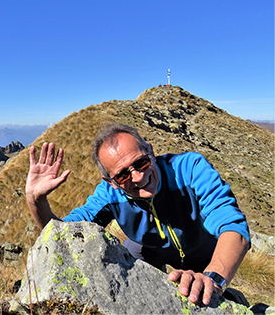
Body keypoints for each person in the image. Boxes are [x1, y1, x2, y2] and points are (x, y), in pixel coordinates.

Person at [26, 122, 250, 306]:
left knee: (209, 297)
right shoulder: (108, 195)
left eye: (141, 163)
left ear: (151, 151)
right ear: (110, 182)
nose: (138, 177)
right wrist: (36, 201)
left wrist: (213, 277)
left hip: (204, 252)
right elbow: (64, 234)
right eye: (123, 175)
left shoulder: (189, 169)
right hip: (150, 249)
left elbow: (233, 225)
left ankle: (234, 297)